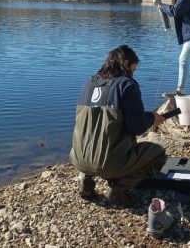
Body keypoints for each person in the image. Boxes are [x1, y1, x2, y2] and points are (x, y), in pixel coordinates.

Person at [69, 45, 167, 206]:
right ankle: (119, 188)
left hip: (78, 159)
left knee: (92, 146)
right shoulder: (127, 85)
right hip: (110, 163)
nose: (133, 73)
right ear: (127, 63)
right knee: (158, 153)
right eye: (134, 69)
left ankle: (85, 178)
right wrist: (152, 118)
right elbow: (136, 127)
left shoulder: (88, 84)